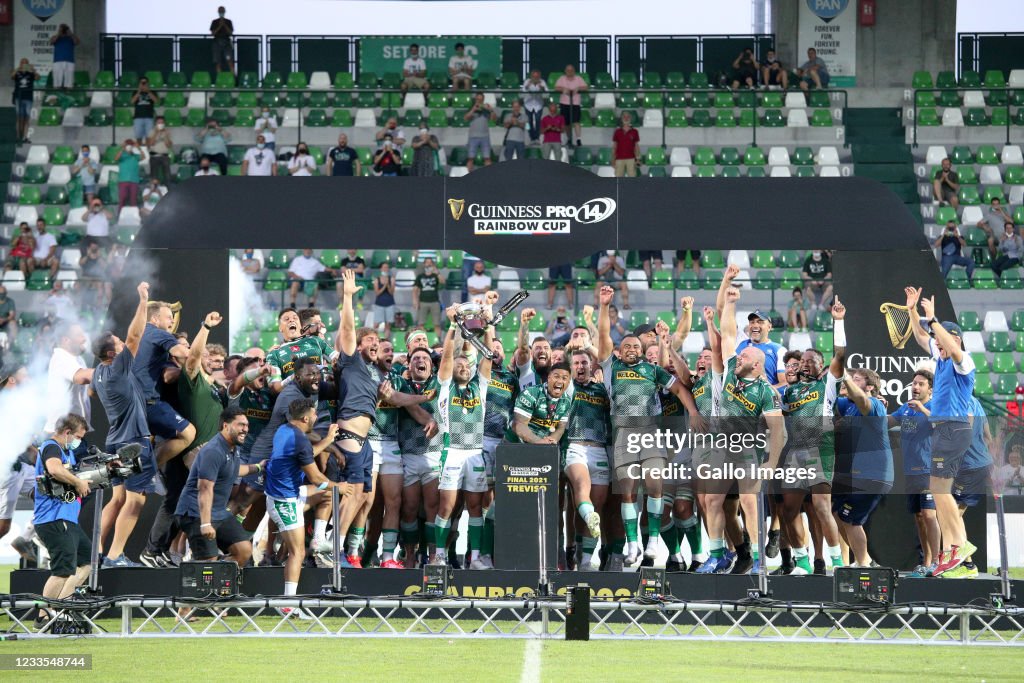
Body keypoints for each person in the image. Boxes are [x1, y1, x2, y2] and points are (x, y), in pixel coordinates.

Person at [597, 284, 703, 566]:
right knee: (629, 491)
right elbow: (604, 335)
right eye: (626, 346)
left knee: (655, 484)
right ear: (619, 352)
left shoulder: (651, 369)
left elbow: (680, 389)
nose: (631, 349)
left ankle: (653, 541)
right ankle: (633, 545)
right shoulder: (612, 367)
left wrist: (692, 411)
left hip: (650, 435)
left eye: (635, 346)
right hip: (623, 436)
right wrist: (604, 306)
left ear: (642, 350)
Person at [696, 272, 784, 575]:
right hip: (721, 447)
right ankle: (717, 555)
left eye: (746, 352)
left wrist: (771, 463)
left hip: (747, 449)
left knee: (749, 502)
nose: (740, 351)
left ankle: (759, 558)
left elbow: (779, 431)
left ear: (756, 363)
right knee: (712, 500)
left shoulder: (766, 393)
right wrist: (731, 303)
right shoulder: (732, 369)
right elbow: (728, 332)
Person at [905, 287, 978, 577]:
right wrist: (912, 311)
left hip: (954, 429)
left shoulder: (964, 361)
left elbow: (941, 339)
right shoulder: (942, 358)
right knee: (939, 492)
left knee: (938, 491)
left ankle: (959, 546)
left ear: (954, 338)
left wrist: (934, 320)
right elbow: (922, 337)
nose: (935, 342)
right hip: (945, 431)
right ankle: (961, 557)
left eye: (940, 337)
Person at [779, 298, 848, 575]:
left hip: (821, 448)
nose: (805, 364)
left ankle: (837, 562)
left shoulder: (827, 385)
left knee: (821, 506)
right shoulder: (789, 392)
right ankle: (802, 561)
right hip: (795, 452)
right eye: (802, 361)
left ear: (821, 367)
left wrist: (839, 321)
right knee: (788, 510)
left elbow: (840, 355)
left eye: (811, 361)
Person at [265, 398, 352, 612]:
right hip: (284, 502)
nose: (315, 418)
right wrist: (337, 486)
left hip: (289, 495)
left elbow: (305, 454)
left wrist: (328, 441)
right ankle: (288, 604)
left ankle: (319, 539)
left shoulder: (285, 430)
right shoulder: (300, 440)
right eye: (313, 414)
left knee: (325, 496)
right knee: (297, 553)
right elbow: (316, 478)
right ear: (305, 418)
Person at [94, 282, 155, 568]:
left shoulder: (98, 373)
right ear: (110, 354)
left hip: (115, 442)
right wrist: (143, 300)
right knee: (135, 501)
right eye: (117, 344)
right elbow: (135, 335)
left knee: (117, 497)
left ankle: (98, 549)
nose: (123, 344)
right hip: (134, 442)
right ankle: (115, 556)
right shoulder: (117, 367)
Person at [432, 300, 496, 568]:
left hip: (475, 453)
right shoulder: (446, 389)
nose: (463, 367)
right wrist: (451, 326)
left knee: (475, 507)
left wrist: (489, 323)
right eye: (460, 364)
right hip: (452, 451)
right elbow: (447, 357)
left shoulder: (478, 388)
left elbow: (489, 355)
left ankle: (476, 557)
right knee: (446, 508)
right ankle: (439, 555)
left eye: (466, 365)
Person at [175, 407, 260, 570]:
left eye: (247, 425)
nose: (246, 429)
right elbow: (205, 489)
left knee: (243, 551)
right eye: (241, 425)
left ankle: (217, 581)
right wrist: (206, 524)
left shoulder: (233, 447)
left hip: (219, 512)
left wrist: (258, 467)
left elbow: (234, 469)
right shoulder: (213, 451)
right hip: (196, 514)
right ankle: (200, 578)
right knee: (208, 564)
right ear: (226, 426)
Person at [32, 414, 92, 631]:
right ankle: (42, 617)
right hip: (54, 518)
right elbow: (55, 469)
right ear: (67, 432)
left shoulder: (67, 451)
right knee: (62, 570)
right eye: (78, 437)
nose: (79, 442)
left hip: (68, 518)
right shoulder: (51, 447)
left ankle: (62, 609)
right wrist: (77, 482)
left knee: (86, 562)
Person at [563, 345, 610, 570]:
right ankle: (579, 552)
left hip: (599, 449)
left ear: (592, 367)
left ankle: (585, 561)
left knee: (596, 509)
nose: (580, 366)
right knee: (582, 488)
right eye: (576, 363)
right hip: (576, 447)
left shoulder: (601, 389)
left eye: (584, 363)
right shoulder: (567, 387)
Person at [891, 369, 939, 577]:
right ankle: (926, 562)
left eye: (920, 384)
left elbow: (942, 423)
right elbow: (887, 422)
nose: (916, 387)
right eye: (914, 383)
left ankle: (937, 562)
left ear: (930, 388)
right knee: (919, 517)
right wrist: (872, 408)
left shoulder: (934, 407)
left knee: (929, 515)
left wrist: (922, 409)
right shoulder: (906, 409)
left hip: (930, 470)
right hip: (910, 472)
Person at [45, 323, 94, 438]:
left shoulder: (78, 359)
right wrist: (110, 370)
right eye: (79, 335)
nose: (84, 339)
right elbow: (81, 377)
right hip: (61, 433)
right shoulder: (61, 357)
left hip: (75, 431)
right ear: (66, 340)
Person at [737, 310, 787, 386]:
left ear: (769, 327)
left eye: (760, 322)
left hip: (764, 395)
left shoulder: (779, 350)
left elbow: (784, 383)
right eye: (752, 322)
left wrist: (764, 393)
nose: (755, 325)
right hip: (740, 395)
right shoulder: (741, 345)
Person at [555, 65, 588, 147]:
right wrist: (563, 89)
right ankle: (569, 139)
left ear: (574, 71)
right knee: (566, 124)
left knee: (576, 122)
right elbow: (556, 88)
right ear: (565, 71)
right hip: (564, 103)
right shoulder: (562, 78)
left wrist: (578, 88)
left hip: (575, 104)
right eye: (568, 70)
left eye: (571, 70)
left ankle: (578, 139)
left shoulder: (578, 78)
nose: (570, 72)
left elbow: (586, 87)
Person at [413, 258, 445, 341]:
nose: (428, 264)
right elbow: (415, 290)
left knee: (437, 323)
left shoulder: (435, 275)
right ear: (424, 264)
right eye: (427, 262)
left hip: (435, 302)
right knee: (421, 323)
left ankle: (438, 340)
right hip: (423, 302)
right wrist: (415, 301)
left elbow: (443, 281)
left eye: (430, 263)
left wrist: (437, 272)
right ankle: (422, 340)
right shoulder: (420, 276)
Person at [465, 93, 496, 171]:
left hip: (485, 136)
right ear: (475, 99)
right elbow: (466, 118)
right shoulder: (471, 107)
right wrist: (473, 109)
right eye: (478, 99)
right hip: (473, 137)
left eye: (481, 99)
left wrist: (491, 110)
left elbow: (493, 119)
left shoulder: (486, 109)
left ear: (483, 100)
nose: (479, 101)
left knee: (487, 158)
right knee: (470, 158)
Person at [113, 139, 146, 211]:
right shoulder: (122, 155)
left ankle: (133, 216)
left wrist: (138, 148)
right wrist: (122, 148)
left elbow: (143, 157)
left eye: (130, 145)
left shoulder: (135, 156)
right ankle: (120, 217)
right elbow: (116, 158)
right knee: (122, 199)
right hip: (123, 180)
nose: (129, 147)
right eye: (127, 145)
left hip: (134, 180)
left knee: (133, 200)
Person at [11, 58, 38, 143]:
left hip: (28, 98)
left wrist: (33, 70)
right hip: (18, 97)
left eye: (25, 63)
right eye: (22, 63)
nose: (24, 64)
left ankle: (25, 137)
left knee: (26, 118)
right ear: (20, 63)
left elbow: (37, 78)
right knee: (19, 118)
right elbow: (12, 76)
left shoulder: (30, 73)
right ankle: (18, 137)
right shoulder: (17, 72)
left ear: (28, 64)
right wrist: (17, 69)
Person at [49, 24, 80, 91]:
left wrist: (71, 34)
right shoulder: (56, 37)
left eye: (64, 29)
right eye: (62, 29)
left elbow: (77, 42)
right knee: (57, 77)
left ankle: (68, 90)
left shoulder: (71, 38)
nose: (63, 30)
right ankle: (57, 89)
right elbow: (51, 42)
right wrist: (58, 34)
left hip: (69, 60)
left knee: (69, 77)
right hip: (58, 60)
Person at [521, 70, 548, 145]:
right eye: (534, 76)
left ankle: (537, 137)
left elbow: (547, 92)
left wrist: (541, 87)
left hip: (538, 105)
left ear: (539, 77)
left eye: (537, 76)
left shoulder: (542, 82)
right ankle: (531, 137)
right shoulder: (527, 81)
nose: (535, 78)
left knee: (538, 121)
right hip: (528, 104)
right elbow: (523, 91)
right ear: (531, 77)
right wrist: (528, 86)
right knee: (528, 122)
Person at [131, 76, 160, 143]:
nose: (143, 84)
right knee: (138, 137)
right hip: (138, 117)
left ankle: (147, 151)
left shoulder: (152, 92)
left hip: (149, 117)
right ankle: (139, 151)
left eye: (145, 83)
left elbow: (156, 101)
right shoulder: (135, 92)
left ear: (148, 83)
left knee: (149, 137)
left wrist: (148, 91)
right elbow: (132, 101)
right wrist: (139, 91)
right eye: (142, 83)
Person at [611, 111, 641, 177]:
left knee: (632, 178)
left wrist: (638, 159)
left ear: (630, 118)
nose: (626, 118)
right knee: (618, 179)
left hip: (631, 159)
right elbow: (614, 147)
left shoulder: (635, 132)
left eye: (628, 117)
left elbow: (636, 147)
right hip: (619, 159)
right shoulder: (617, 132)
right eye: (624, 116)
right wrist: (613, 159)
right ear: (621, 119)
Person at [373, 263, 396, 339]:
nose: (386, 269)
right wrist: (384, 286)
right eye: (384, 267)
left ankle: (386, 340)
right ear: (381, 269)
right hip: (379, 303)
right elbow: (377, 293)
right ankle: (374, 339)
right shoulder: (377, 279)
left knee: (388, 324)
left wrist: (388, 285)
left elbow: (392, 292)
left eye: (387, 267)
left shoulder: (391, 279)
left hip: (389, 303)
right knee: (376, 324)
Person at [210, 6, 235, 75]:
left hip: (226, 43)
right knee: (218, 62)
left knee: (229, 61)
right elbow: (213, 33)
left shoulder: (228, 22)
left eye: (222, 11)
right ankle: (219, 79)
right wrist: (220, 26)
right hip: (217, 43)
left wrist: (224, 25)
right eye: (220, 11)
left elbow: (230, 33)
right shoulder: (214, 22)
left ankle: (233, 78)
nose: (221, 13)